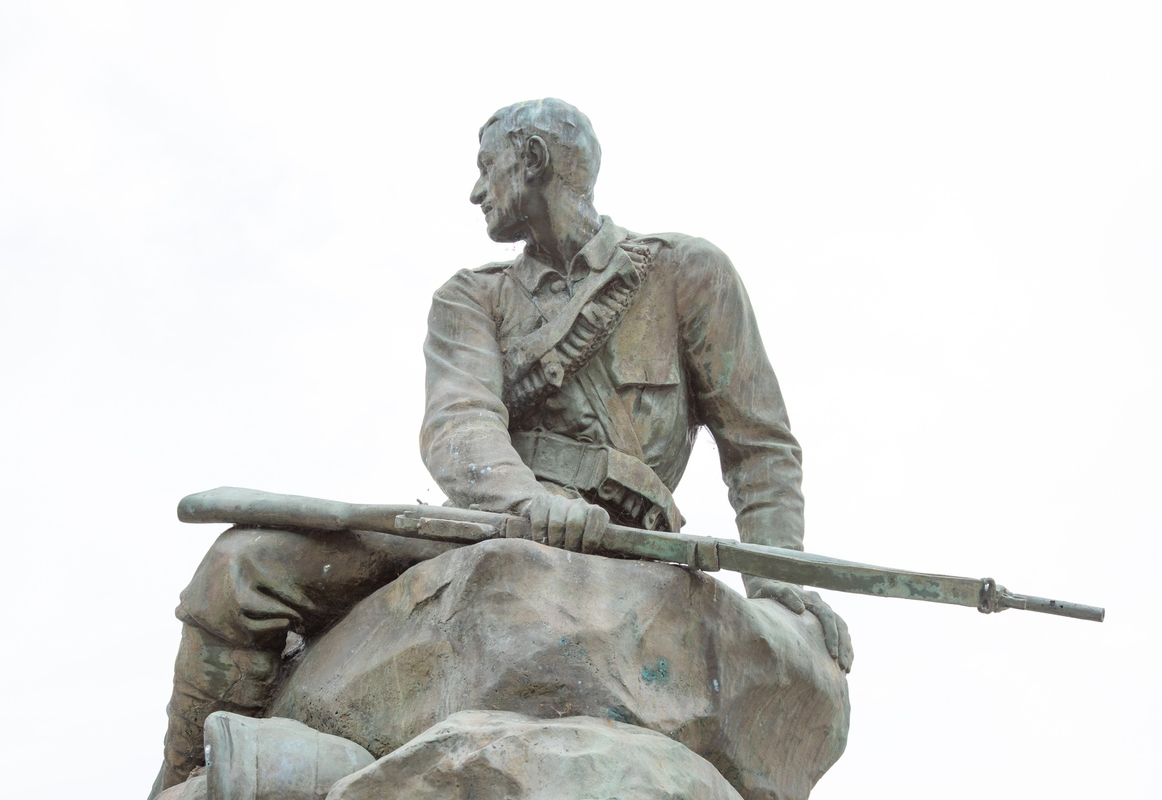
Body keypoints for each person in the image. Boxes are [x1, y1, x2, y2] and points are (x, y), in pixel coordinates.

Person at [150, 98, 851, 798]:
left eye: (488, 167)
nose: (477, 189)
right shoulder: (471, 299)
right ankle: (188, 777)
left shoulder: (685, 273)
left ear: (533, 162)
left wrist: (776, 577)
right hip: (492, 522)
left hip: (630, 548)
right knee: (241, 566)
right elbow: (460, 426)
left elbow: (759, 445)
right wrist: (530, 502)